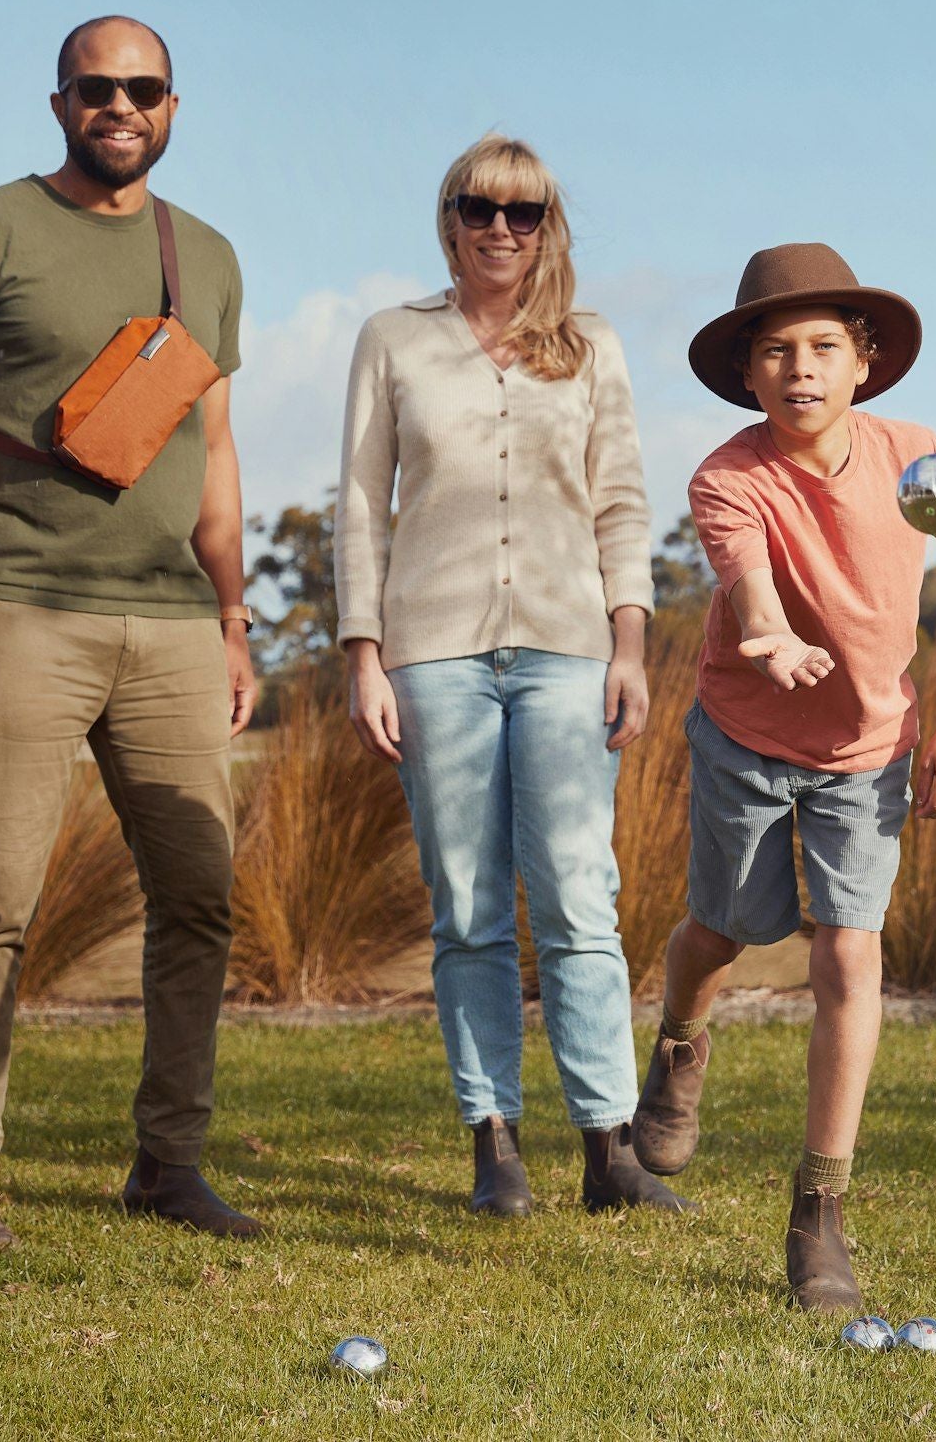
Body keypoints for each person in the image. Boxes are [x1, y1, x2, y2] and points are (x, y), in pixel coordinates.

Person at [0, 16, 261, 1246]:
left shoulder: (203, 255)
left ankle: (169, 1166)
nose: (120, 105)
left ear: (172, 105)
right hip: (21, 612)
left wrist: (234, 615)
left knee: (200, 902)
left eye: (142, 89)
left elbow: (214, 452)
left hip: (173, 629)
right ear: (58, 102)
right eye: (97, 88)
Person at [631, 244, 936, 1308]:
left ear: (864, 362)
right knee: (726, 929)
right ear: (748, 374)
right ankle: (681, 1042)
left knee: (849, 954)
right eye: (777, 351)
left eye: (825, 347)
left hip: (870, 752)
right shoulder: (728, 475)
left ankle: (820, 1211)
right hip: (745, 739)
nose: (801, 368)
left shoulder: (919, 460)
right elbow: (748, 585)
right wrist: (770, 638)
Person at [335, 134, 688, 1218]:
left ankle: (610, 1150)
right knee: (472, 908)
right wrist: (363, 655)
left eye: (522, 212)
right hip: (431, 656)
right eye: (478, 208)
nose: (499, 227)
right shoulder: (393, 338)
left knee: (583, 896)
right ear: (448, 221)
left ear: (547, 228)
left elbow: (623, 500)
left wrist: (630, 645)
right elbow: (357, 501)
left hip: (569, 651)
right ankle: (494, 1144)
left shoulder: (591, 347)